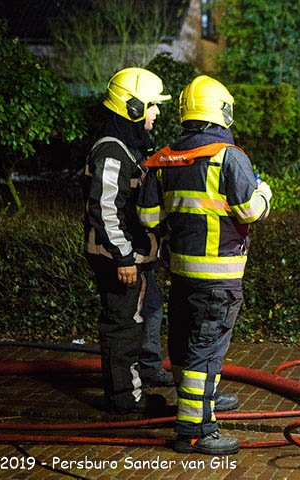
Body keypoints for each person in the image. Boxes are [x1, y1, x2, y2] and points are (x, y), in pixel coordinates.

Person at [138, 75, 272, 455]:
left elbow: (148, 218)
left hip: (181, 274)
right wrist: (264, 192)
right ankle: (196, 431)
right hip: (219, 278)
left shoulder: (163, 159)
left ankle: (200, 404)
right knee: (205, 353)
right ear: (222, 111)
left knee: (184, 348)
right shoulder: (229, 157)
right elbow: (249, 211)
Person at [83, 67, 171, 415]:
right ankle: (125, 399)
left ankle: (140, 379)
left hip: (133, 257)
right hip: (118, 258)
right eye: (152, 105)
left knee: (143, 316)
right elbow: (105, 210)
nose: (157, 112)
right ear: (132, 107)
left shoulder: (129, 147)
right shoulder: (112, 151)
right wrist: (123, 257)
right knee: (123, 327)